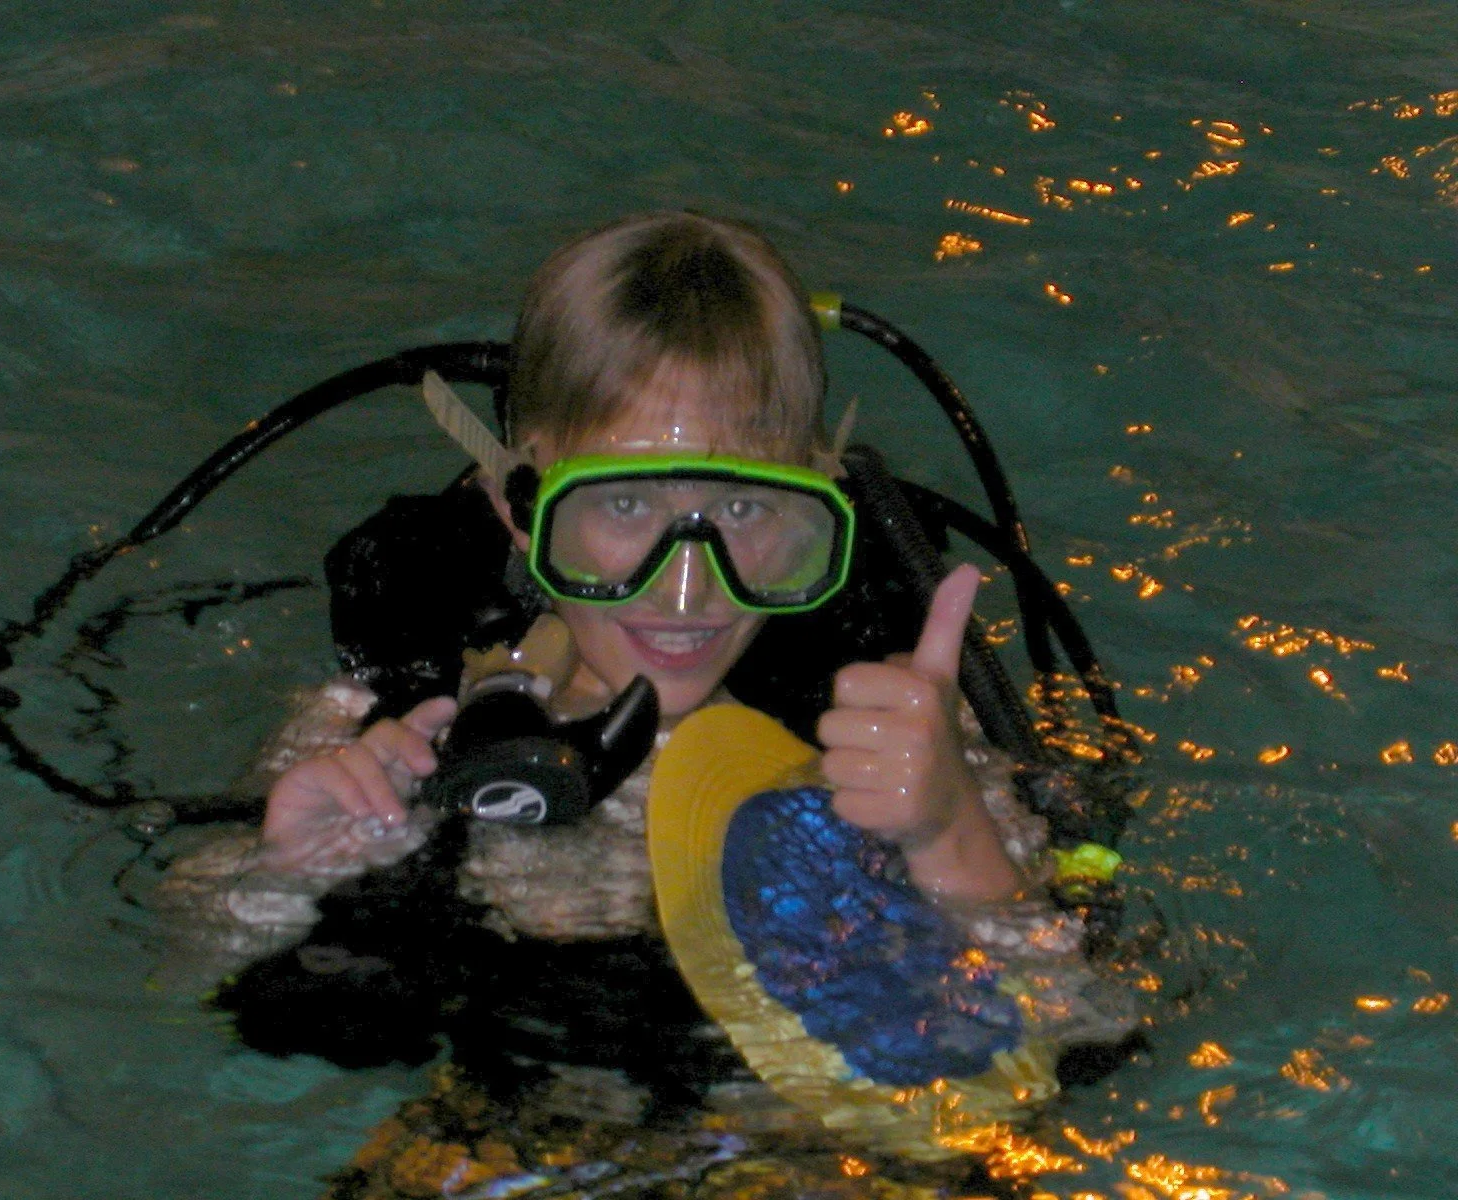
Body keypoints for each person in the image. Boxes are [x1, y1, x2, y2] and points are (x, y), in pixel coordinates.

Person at [155, 211, 1135, 1194]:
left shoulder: (895, 733)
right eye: (625, 505)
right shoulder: (383, 724)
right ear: (515, 504)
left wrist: (954, 839)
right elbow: (181, 973)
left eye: (742, 508)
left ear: (813, 501)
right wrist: (282, 872)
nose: (686, 588)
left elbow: (1085, 1035)